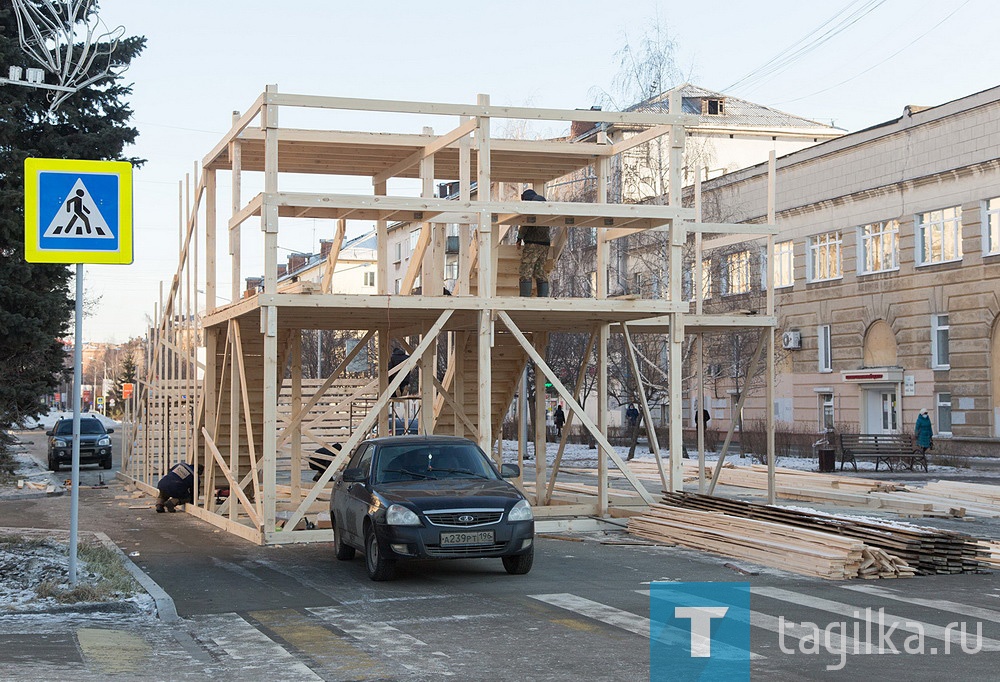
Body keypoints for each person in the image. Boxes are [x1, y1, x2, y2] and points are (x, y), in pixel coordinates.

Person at [517, 188, 551, 297]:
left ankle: (524, 298)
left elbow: (526, 224)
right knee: (539, 271)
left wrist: (519, 238)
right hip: (545, 245)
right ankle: (543, 298)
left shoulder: (532, 207)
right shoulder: (544, 205)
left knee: (526, 270)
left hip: (532, 243)